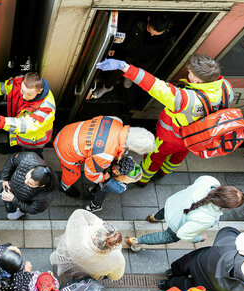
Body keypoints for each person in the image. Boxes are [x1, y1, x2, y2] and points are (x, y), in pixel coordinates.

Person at [96, 54, 234, 185]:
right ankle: (164, 172)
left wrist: (125, 67)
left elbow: (155, 86)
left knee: (154, 157)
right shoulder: (225, 87)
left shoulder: (186, 100)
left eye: (190, 73)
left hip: (170, 138)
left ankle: (143, 180)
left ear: (197, 80)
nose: (188, 74)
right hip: (194, 140)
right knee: (178, 157)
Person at [125, 176, 244, 251]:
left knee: (165, 211)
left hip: (173, 204)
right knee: (167, 236)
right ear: (226, 207)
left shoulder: (210, 181)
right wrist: (198, 238)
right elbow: (183, 234)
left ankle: (153, 218)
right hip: (177, 223)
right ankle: (136, 241)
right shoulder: (207, 219)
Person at [53, 115, 154, 197]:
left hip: (69, 130)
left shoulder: (116, 120)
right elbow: (90, 174)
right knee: (72, 174)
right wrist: (103, 177)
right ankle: (64, 187)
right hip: (66, 149)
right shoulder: (104, 155)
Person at [91, 12, 172, 99]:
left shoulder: (166, 30)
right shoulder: (133, 21)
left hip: (146, 54)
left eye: (155, 34)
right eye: (150, 30)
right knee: (117, 71)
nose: (152, 35)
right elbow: (119, 34)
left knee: (140, 68)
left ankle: (131, 76)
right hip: (129, 51)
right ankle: (107, 88)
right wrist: (113, 48)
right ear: (148, 20)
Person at [0, 72, 56, 156]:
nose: (23, 96)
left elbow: (27, 125)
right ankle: (14, 147)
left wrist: (0, 121)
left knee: (34, 156)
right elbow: (6, 87)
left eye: (29, 94)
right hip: (18, 130)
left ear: (40, 91)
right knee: (16, 141)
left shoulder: (47, 107)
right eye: (22, 91)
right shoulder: (19, 82)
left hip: (33, 140)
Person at [50, 210, 125, 281]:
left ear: (94, 236)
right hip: (86, 274)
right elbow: (115, 277)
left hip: (67, 262)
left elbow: (79, 213)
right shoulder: (117, 258)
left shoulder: (78, 235)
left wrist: (99, 222)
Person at [0, 152, 56, 220]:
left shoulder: (45, 197)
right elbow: (12, 160)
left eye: (30, 184)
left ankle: (20, 212)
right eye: (26, 177)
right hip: (11, 187)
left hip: (22, 201)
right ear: (33, 169)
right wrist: (5, 179)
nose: (25, 182)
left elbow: (32, 209)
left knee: (14, 208)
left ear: (41, 186)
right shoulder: (29, 157)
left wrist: (13, 199)